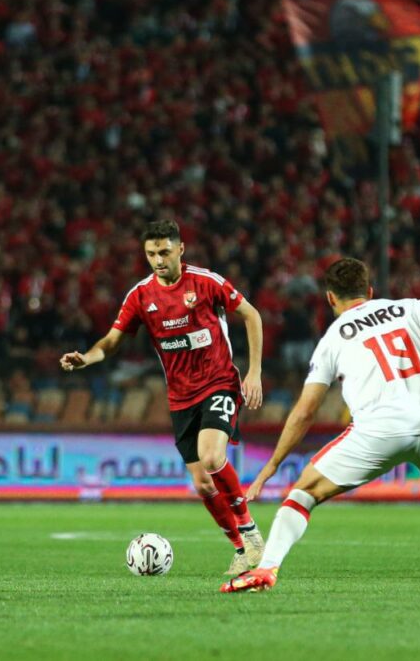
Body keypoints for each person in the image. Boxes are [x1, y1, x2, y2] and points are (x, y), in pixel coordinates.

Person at [221, 258, 420, 595]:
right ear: (370, 291)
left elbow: (305, 411)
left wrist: (271, 466)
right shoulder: (409, 308)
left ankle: (267, 568)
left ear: (330, 298)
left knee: (303, 493)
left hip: (378, 433)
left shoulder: (333, 339)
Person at [60, 219, 267, 575]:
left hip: (218, 382)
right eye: (151, 253)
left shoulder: (206, 282)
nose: (158, 260)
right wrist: (87, 358)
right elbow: (111, 341)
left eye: (164, 252)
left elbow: (252, 315)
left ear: (180, 249)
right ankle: (240, 548)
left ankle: (251, 534)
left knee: (211, 455)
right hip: (180, 397)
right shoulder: (140, 296)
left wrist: (255, 372)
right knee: (202, 483)